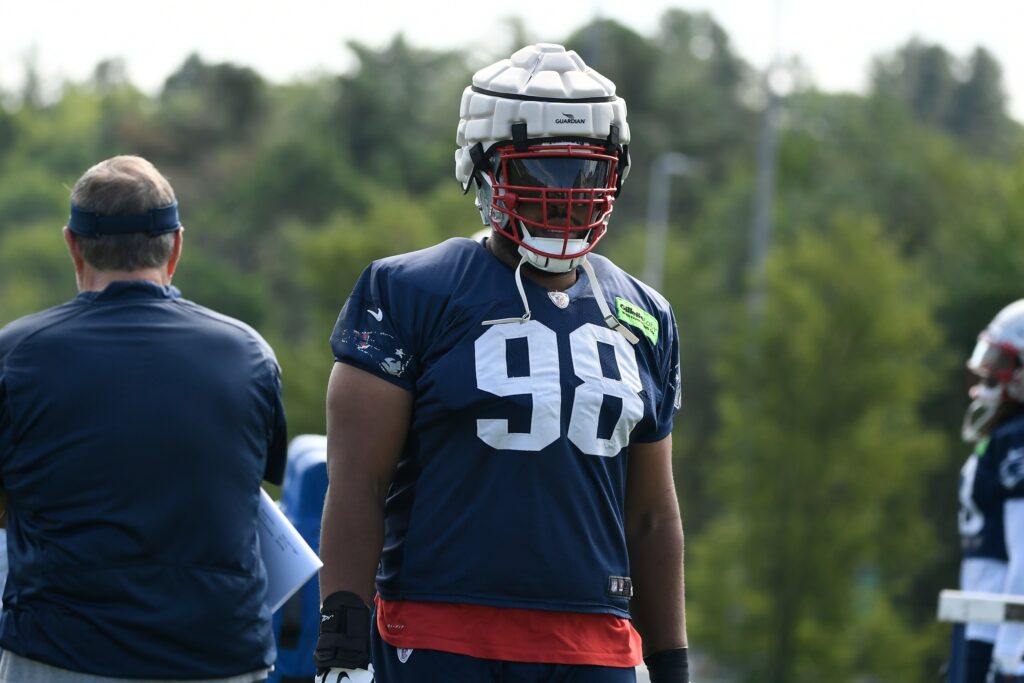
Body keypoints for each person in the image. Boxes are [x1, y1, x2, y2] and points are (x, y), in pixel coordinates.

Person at [316, 44, 688, 683]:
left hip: (596, 646)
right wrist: (341, 646)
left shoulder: (645, 312)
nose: (564, 195)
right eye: (540, 170)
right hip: (440, 635)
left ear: (617, 173)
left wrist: (671, 662)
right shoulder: (410, 291)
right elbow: (357, 482)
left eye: (587, 173)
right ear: (482, 167)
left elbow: (652, 514)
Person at [0, 155, 288, 682]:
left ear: (72, 244)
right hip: (219, 657)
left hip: (63, 653)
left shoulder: (16, 355)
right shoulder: (248, 353)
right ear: (176, 246)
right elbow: (250, 483)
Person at [957, 300, 1024, 683]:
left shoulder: (1018, 438)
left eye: (1004, 361)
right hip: (981, 623)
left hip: (1002, 632)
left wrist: (1009, 658)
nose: (990, 373)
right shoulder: (1006, 435)